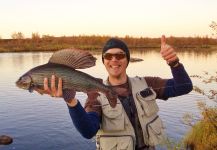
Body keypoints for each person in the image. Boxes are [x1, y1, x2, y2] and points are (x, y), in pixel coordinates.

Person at [39, 35, 193, 150]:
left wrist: (174, 63)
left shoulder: (147, 83)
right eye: (108, 56)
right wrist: (70, 102)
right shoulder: (95, 94)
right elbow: (88, 131)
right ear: (104, 61)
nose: (114, 60)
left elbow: (184, 86)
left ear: (127, 59)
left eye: (119, 55)